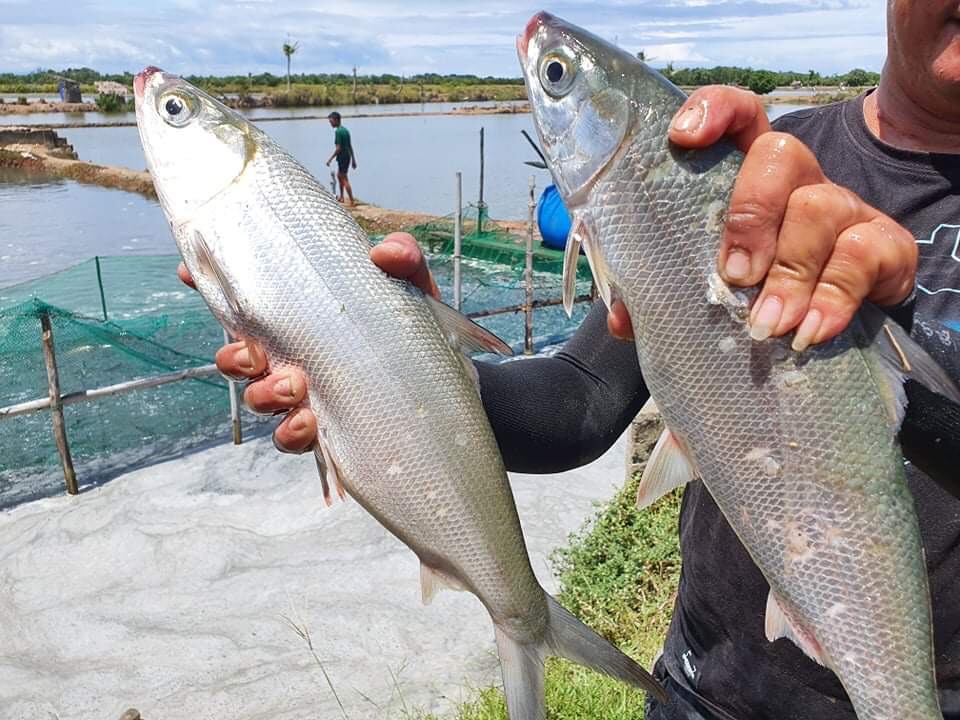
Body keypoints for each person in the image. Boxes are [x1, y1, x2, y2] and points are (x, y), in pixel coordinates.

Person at [188, 1, 960, 716]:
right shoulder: (765, 167)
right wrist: (400, 372)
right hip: (706, 689)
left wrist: (897, 365)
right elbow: (582, 399)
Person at [325, 111, 357, 205]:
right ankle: (342, 197)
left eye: (331, 121)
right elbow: (350, 146)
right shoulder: (345, 130)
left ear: (336, 120)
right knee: (339, 176)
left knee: (344, 178)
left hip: (343, 156)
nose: (330, 123)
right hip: (347, 156)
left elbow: (338, 148)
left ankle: (352, 201)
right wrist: (353, 159)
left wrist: (330, 159)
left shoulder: (338, 132)